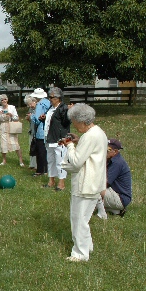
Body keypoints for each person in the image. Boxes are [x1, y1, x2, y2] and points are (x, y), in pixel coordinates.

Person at [60, 103, 108, 262]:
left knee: (78, 220)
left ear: (81, 121)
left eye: (74, 121)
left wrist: (70, 145)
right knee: (84, 218)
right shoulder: (98, 132)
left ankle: (80, 254)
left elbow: (76, 161)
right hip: (95, 182)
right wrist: (79, 140)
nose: (73, 124)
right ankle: (87, 246)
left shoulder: (90, 136)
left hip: (86, 183)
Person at [95, 138, 132, 218]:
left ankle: (101, 214)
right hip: (116, 193)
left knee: (92, 190)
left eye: (107, 150)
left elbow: (104, 183)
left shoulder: (117, 163)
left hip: (120, 198)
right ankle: (115, 210)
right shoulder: (110, 159)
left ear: (115, 151)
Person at [43, 87, 71, 191]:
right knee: (50, 160)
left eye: (52, 97)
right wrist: (43, 118)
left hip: (60, 139)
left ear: (58, 98)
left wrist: (70, 112)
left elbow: (66, 123)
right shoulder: (50, 108)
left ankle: (61, 183)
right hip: (49, 138)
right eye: (49, 97)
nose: (50, 99)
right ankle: (51, 181)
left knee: (61, 161)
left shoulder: (63, 108)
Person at [0, 94, 24, 166]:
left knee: (15, 144)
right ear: (0, 101)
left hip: (11, 126)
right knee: (3, 144)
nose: (4, 101)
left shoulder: (12, 107)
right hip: (3, 127)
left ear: (7, 99)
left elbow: (17, 118)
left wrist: (11, 115)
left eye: (5, 99)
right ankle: (4, 160)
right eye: (2, 100)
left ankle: (21, 161)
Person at [30, 88, 50, 177]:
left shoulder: (40, 105)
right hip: (48, 129)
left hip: (40, 131)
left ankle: (40, 170)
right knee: (47, 151)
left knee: (40, 151)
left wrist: (31, 116)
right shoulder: (48, 102)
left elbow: (37, 120)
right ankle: (47, 169)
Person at [24, 94, 37, 170]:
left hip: (38, 131)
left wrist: (31, 117)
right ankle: (32, 164)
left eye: (30, 104)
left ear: (34, 101)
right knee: (31, 147)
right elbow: (30, 120)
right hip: (32, 130)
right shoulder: (31, 109)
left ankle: (38, 165)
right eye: (28, 105)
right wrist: (28, 118)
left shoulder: (39, 109)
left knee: (38, 148)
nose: (30, 106)